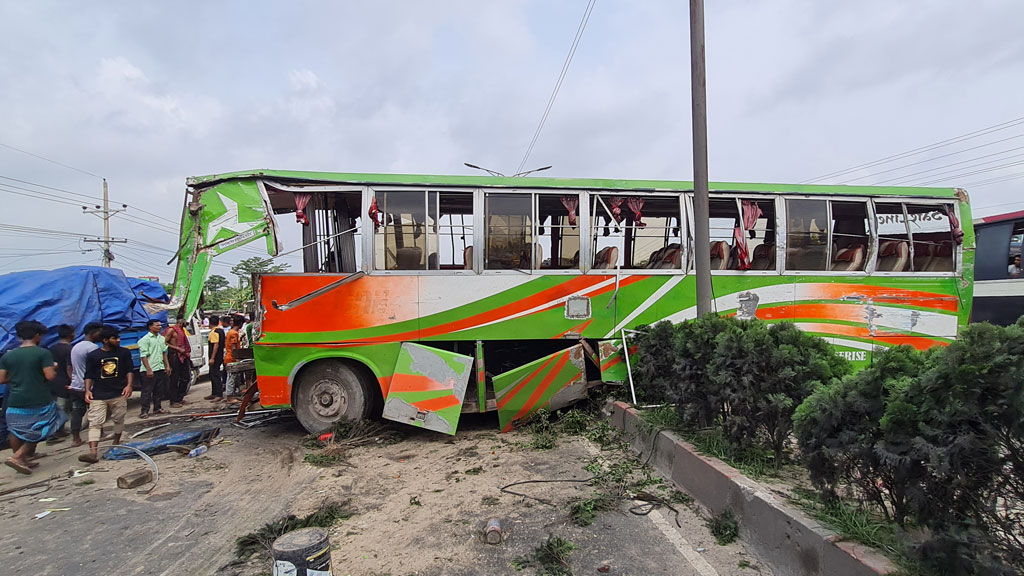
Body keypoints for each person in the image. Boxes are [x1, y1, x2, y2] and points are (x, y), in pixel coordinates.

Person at [0, 321, 63, 474]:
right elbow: (49, 376)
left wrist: (17, 378)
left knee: (15, 430)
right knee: (51, 422)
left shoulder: (8, 355)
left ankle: (23, 460)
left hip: (14, 400)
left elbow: (1, 379)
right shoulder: (42, 353)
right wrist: (54, 367)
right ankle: (18, 456)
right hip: (38, 398)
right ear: (37, 336)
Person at [79, 325, 133, 464]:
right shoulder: (93, 356)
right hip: (98, 395)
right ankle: (93, 452)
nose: (118, 340)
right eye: (115, 338)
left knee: (119, 419)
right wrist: (87, 390)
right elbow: (88, 375)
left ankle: (116, 443)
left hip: (119, 393)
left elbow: (129, 370)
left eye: (118, 338)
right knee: (95, 423)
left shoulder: (124, 353)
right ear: (105, 340)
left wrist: (129, 385)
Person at [69, 322, 103, 447]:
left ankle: (76, 438)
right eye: (99, 331)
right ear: (93, 332)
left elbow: (71, 367)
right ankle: (100, 434)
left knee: (77, 412)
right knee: (97, 411)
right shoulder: (92, 348)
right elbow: (96, 369)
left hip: (76, 385)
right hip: (90, 386)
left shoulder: (76, 347)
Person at [45, 324, 75, 444]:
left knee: (58, 408)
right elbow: (69, 367)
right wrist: (73, 381)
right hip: (64, 382)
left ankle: (60, 431)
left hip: (53, 381)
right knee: (61, 408)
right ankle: (51, 435)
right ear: (71, 334)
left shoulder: (52, 348)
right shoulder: (69, 349)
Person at [138, 319, 169, 418]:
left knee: (159, 390)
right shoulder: (145, 340)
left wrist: (167, 366)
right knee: (147, 391)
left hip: (159, 367)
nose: (159, 327)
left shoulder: (161, 338)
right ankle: (144, 411)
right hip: (150, 369)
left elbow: (164, 353)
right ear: (150, 327)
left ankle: (157, 407)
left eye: (160, 325)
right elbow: (143, 356)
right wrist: (148, 369)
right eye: (157, 325)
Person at [164, 316, 192, 407]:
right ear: (180, 322)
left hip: (183, 356)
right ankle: (173, 401)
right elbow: (164, 342)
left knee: (186, 377)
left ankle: (180, 398)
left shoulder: (182, 330)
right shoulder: (172, 330)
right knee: (174, 379)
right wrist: (177, 349)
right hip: (174, 356)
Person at [204, 315, 226, 401]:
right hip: (220, 355)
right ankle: (214, 393)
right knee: (212, 374)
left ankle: (219, 394)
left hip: (216, 356)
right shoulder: (221, 330)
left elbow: (215, 345)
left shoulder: (214, 332)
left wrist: (212, 358)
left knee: (215, 375)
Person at [224, 316, 244, 402]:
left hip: (229, 357)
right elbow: (234, 348)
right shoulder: (234, 334)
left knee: (233, 377)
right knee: (231, 378)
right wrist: (237, 359)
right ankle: (230, 397)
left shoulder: (230, 332)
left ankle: (233, 394)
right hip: (232, 358)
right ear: (240, 324)